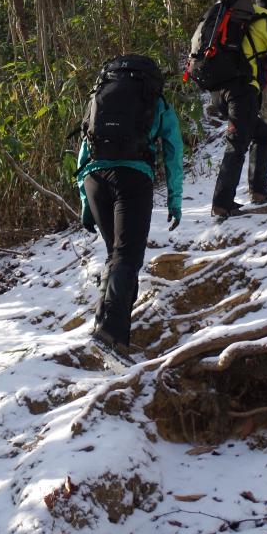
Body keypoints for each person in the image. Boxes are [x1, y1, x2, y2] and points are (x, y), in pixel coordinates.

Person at [77, 57, 184, 357]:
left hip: (95, 179)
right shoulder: (156, 101)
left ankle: (110, 334)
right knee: (126, 257)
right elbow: (173, 150)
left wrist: (86, 203)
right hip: (132, 179)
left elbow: (84, 150)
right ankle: (110, 334)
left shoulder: (98, 99)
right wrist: (174, 199)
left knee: (116, 256)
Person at [211, 0, 267, 220]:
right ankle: (222, 204)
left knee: (263, 135)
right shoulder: (266, 23)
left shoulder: (242, 20)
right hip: (241, 92)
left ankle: (258, 192)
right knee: (237, 145)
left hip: (220, 92)